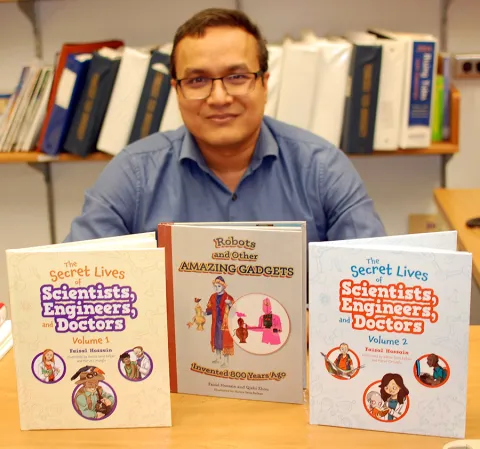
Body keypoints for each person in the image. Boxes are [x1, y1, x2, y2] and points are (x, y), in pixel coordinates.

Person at [63, 7, 385, 244]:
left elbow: (370, 280)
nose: (218, 97)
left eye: (237, 77)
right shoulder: (133, 175)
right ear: (176, 90)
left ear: (264, 84)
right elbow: (81, 281)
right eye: (198, 79)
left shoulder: (322, 169)